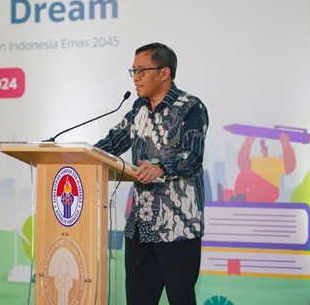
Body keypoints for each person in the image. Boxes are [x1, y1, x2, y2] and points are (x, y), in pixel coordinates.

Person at [95, 43, 208, 305]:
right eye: (133, 71)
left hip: (178, 225)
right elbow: (112, 143)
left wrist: (161, 167)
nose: (135, 77)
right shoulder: (138, 108)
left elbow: (193, 155)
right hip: (141, 225)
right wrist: (76, 155)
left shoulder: (191, 107)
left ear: (164, 72)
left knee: (181, 299)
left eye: (142, 71)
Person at [219, 132, 295, 202]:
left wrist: (286, 144)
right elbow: (242, 163)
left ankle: (238, 201)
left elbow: (289, 166)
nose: (262, 150)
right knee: (235, 195)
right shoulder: (258, 162)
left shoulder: (274, 161)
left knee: (245, 173)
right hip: (261, 194)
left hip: (271, 192)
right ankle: (224, 195)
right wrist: (248, 142)